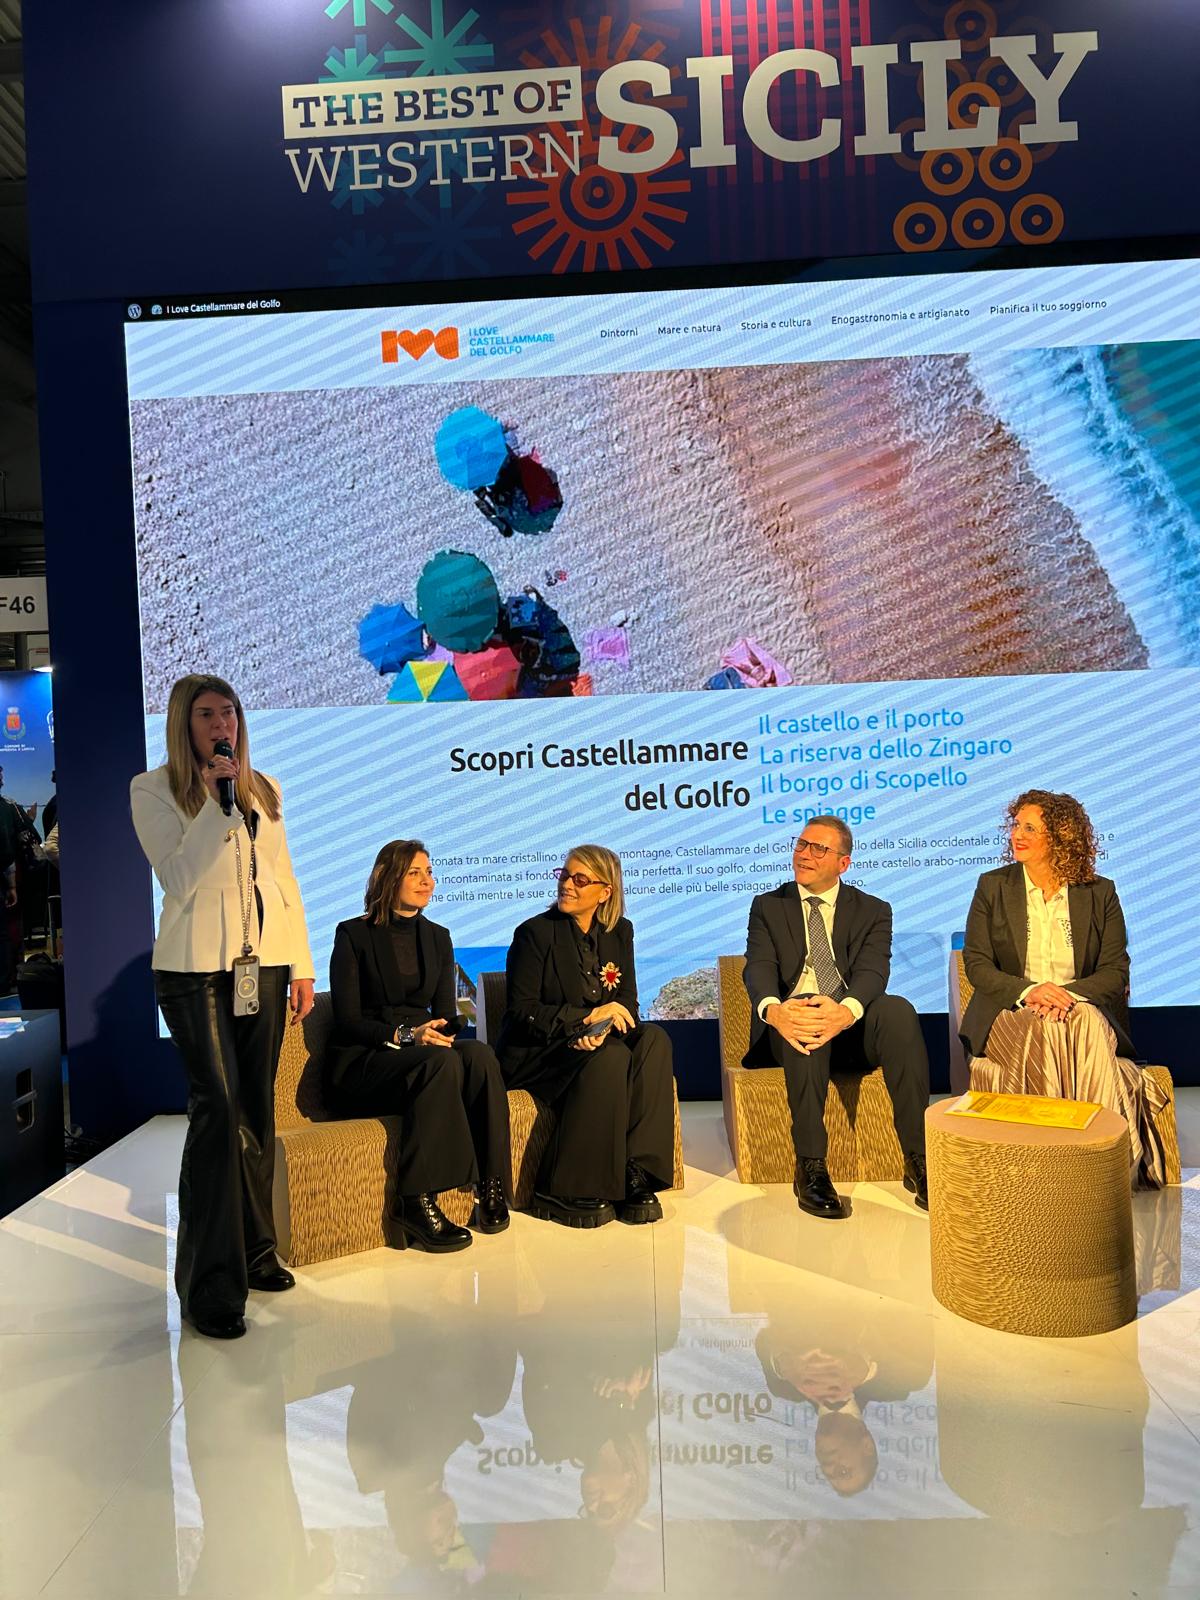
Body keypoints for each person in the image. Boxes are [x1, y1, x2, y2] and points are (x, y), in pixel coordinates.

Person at [130, 673, 315, 1340]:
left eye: (229, 712)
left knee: (255, 1111)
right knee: (218, 1110)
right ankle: (210, 1284)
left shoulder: (264, 787)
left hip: (262, 967)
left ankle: (256, 1250)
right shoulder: (154, 790)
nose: (221, 724)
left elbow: (282, 881)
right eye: (207, 714)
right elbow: (179, 880)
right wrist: (214, 801)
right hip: (192, 972)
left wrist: (301, 964)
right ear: (184, 723)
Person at [960, 788, 1166, 1187]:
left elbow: (1115, 970)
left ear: (1060, 836)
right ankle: (1055, 1165)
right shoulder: (993, 886)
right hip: (1011, 1012)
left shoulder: (1099, 892)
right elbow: (978, 965)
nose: (1017, 835)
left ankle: (1100, 1168)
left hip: (1078, 1009)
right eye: (1016, 825)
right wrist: (1031, 992)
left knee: (1084, 1018)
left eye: (1030, 828)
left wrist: (1067, 995)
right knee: (1047, 1028)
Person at [327, 840, 512, 1251]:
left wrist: (446, 1027)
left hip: (422, 1052)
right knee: (439, 1063)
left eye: (429, 872)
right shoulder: (353, 934)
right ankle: (415, 1201)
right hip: (367, 1059)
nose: (427, 881)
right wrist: (407, 1035)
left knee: (479, 1055)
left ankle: (490, 1182)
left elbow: (444, 1014)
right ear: (387, 877)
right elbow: (348, 1021)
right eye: (414, 873)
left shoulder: (438, 937)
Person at [742, 817, 930, 1218]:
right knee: (805, 1011)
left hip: (849, 1024)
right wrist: (774, 1010)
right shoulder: (768, 906)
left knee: (898, 1010)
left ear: (843, 863)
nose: (804, 854)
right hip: (791, 1025)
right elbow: (758, 966)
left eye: (818, 849)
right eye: (801, 844)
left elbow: (873, 971)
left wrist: (845, 1013)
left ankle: (919, 1159)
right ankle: (810, 1168)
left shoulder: (874, 910)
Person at [496, 844, 675, 1228]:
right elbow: (522, 1011)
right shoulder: (534, 934)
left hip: (594, 1040)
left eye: (579, 879)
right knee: (610, 1056)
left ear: (605, 891)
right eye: (564, 875)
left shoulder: (619, 932)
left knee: (653, 1040)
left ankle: (635, 1172)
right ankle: (562, 1188)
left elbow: (626, 1003)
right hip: (538, 1051)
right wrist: (583, 1022)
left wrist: (598, 1030)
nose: (567, 885)